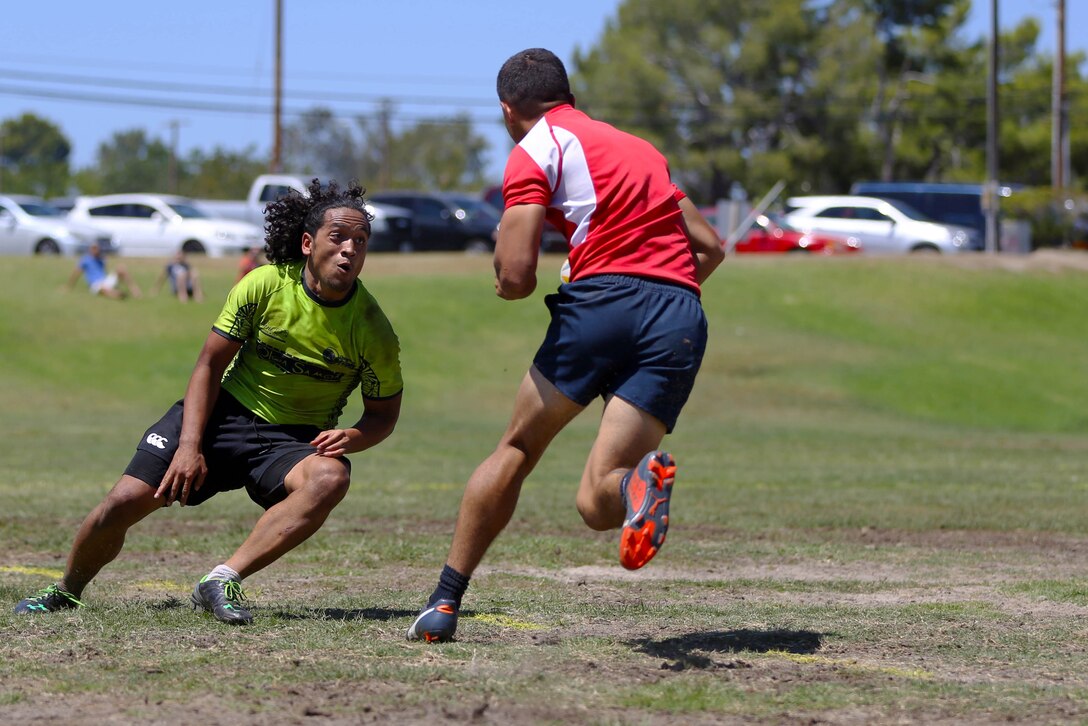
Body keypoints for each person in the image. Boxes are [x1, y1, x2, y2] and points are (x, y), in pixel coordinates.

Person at [406, 48, 724, 643]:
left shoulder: (534, 149)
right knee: (595, 500)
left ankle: (445, 601)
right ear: (568, 94)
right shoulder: (640, 150)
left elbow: (518, 278)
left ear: (508, 109)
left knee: (518, 449)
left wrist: (507, 275)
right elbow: (709, 247)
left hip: (602, 302)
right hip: (679, 313)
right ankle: (639, 486)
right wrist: (652, 307)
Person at [16, 179, 403, 625]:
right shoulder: (264, 285)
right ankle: (68, 589)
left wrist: (353, 436)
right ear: (307, 242)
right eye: (338, 238)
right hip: (223, 413)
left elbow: (383, 415)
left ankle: (221, 579)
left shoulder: (374, 331)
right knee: (123, 502)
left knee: (331, 477)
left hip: (293, 441)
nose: (349, 250)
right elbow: (208, 366)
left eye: (360, 241)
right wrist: (188, 446)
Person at [66, 241, 142, 299]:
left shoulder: (101, 259)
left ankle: (135, 291)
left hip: (104, 280)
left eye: (97, 248)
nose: (95, 250)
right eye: (93, 248)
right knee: (103, 290)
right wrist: (69, 286)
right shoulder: (85, 260)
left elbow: (104, 270)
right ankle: (117, 294)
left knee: (121, 268)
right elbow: (76, 273)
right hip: (95, 284)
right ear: (90, 249)